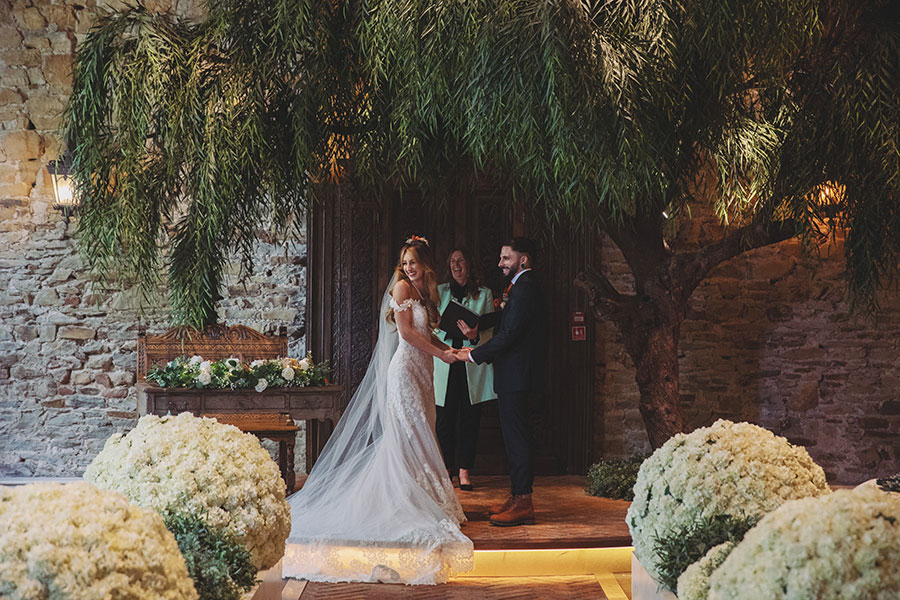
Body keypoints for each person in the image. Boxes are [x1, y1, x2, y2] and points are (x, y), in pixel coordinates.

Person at [284, 236, 474, 584]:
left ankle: (429, 494)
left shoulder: (424, 293)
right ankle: (409, 498)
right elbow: (407, 335)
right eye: (405, 261)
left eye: (413, 261)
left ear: (426, 264)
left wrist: (451, 350)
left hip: (423, 371)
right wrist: (441, 355)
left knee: (423, 429)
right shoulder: (402, 290)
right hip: (405, 370)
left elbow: (427, 334)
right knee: (409, 432)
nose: (408, 267)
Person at [458, 237, 544, 527]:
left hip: (517, 376)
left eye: (506, 258)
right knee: (512, 438)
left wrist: (474, 355)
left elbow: (511, 335)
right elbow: (507, 320)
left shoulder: (526, 288)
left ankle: (523, 503)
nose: (500, 263)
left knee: (517, 439)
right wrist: (480, 325)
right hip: (512, 375)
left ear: (524, 260)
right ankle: (517, 495)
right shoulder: (519, 287)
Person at [433, 247, 496, 491]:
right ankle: (446, 468)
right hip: (446, 360)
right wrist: (447, 331)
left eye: (460, 260)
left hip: (470, 362)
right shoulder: (440, 292)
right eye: (452, 262)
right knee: (444, 419)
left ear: (469, 264)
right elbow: (431, 325)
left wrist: (473, 335)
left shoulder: (485, 294)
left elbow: (490, 331)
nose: (456, 265)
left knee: (470, 420)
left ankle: (465, 471)